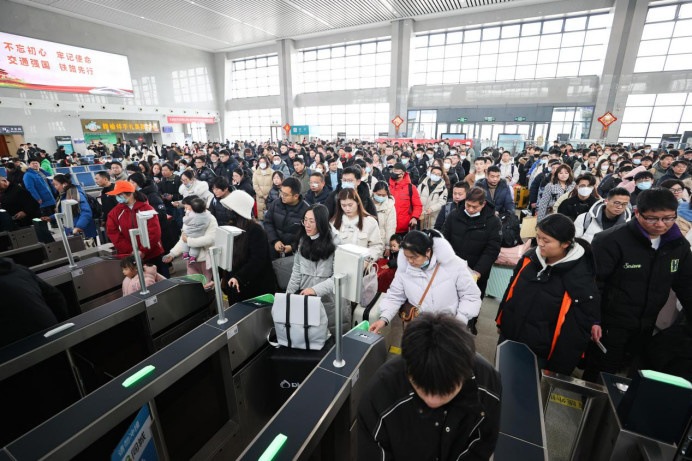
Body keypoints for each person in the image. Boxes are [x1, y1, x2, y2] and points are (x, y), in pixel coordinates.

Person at [358, 312, 501, 461]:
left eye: (446, 392)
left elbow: (484, 440)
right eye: (422, 388)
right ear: (408, 368)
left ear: (463, 375)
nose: (432, 401)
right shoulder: (378, 396)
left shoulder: (488, 383)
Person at [583, 188, 692, 382]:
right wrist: (593, 320)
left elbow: (686, 284)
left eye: (668, 218)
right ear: (636, 213)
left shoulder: (678, 245)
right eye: (652, 219)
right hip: (610, 323)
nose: (661, 225)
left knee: (634, 371)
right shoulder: (611, 240)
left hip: (647, 322)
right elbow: (594, 284)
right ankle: (592, 405)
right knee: (602, 370)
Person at [495, 214, 600, 375]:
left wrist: (560, 366)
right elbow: (511, 289)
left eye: (547, 240)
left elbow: (577, 326)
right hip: (510, 336)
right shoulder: (530, 259)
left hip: (541, 352)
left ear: (565, 244)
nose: (540, 244)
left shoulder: (580, 276)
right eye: (538, 237)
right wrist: (501, 320)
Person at [369, 230, 482, 334]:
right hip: (418, 328)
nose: (410, 261)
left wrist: (459, 322)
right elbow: (395, 296)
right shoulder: (405, 267)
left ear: (428, 251)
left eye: (414, 257)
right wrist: (384, 318)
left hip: (448, 329)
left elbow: (471, 296)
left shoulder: (453, 264)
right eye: (406, 256)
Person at [443, 187, 502, 335]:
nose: (469, 209)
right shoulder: (454, 215)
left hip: (476, 270)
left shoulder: (493, 221)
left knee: (473, 299)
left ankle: (471, 324)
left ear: (483, 205)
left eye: (474, 207)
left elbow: (492, 249)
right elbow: (444, 240)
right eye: (467, 205)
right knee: (449, 297)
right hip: (453, 267)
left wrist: (478, 271)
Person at [287, 204, 347, 333]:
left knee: (327, 334)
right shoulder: (303, 239)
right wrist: (288, 297)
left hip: (328, 300)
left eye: (312, 221)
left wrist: (314, 290)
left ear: (321, 222)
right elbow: (296, 271)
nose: (307, 225)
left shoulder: (337, 243)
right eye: (305, 220)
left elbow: (337, 277)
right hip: (306, 297)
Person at [219, 190, 277, 304]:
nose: (228, 211)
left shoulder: (256, 230)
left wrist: (240, 277)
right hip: (235, 283)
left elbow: (257, 260)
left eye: (231, 208)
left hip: (254, 286)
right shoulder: (231, 226)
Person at [0, 257, 69, 348]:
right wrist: (58, 326)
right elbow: (56, 297)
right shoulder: (20, 269)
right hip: (54, 336)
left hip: (20, 350)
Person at [106, 181, 168, 277]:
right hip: (131, 256)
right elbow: (113, 234)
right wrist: (132, 251)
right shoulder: (114, 213)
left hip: (152, 253)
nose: (118, 197)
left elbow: (154, 232)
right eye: (117, 195)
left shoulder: (147, 208)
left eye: (120, 194)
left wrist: (143, 250)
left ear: (131, 193)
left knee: (159, 280)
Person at [163, 195, 218, 284]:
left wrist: (189, 241)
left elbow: (210, 239)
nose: (185, 210)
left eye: (187, 208)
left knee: (207, 285)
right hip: (191, 260)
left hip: (205, 260)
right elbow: (182, 239)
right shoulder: (188, 219)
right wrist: (172, 254)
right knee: (193, 285)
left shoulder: (210, 219)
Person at [330, 188, 384, 260]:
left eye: (350, 205)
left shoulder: (370, 222)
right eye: (343, 205)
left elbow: (377, 246)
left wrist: (368, 260)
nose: (347, 209)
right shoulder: (334, 223)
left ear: (358, 202)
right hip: (340, 264)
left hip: (363, 265)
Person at [264, 177, 309, 259]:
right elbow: (268, 222)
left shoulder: (306, 211)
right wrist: (275, 241)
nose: (282, 196)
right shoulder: (276, 204)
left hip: (293, 254)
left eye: (285, 195)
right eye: (281, 192)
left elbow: (306, 235)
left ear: (296, 196)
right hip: (273, 248)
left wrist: (293, 247)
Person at [45, 174, 97, 239]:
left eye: (56, 185)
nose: (55, 187)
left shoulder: (76, 194)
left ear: (64, 184)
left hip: (83, 231)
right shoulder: (64, 195)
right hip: (71, 229)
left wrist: (79, 227)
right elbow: (64, 211)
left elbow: (86, 212)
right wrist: (51, 217)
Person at [388, 163, 423, 234]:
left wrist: (414, 217)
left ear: (402, 174)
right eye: (393, 170)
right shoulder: (388, 187)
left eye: (396, 171)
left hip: (405, 228)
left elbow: (418, 205)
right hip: (389, 226)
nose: (394, 172)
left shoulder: (411, 188)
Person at [178, 197, 211, 264]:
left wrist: (186, 215)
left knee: (185, 242)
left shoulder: (192, 216)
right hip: (200, 234)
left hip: (190, 232)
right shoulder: (207, 215)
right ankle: (193, 257)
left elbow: (185, 221)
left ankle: (185, 254)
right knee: (196, 246)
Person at [418, 164, 449, 230]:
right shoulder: (422, 185)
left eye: (438, 174)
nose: (435, 175)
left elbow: (442, 203)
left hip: (432, 217)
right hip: (420, 216)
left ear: (441, 176)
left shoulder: (443, 189)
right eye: (433, 173)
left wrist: (431, 209)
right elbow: (416, 198)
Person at [372, 181, 397, 255]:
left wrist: (388, 246)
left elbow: (390, 227)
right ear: (374, 192)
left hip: (381, 240)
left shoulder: (390, 206)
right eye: (379, 194)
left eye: (384, 195)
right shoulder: (368, 203)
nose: (381, 197)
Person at [252, 155, 273, 219]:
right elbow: (255, 185)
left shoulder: (272, 172)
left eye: (263, 162)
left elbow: (273, 184)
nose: (262, 164)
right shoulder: (256, 173)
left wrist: (268, 195)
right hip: (260, 197)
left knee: (270, 214)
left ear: (267, 162)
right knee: (261, 215)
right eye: (260, 162)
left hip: (270, 197)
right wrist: (261, 195)